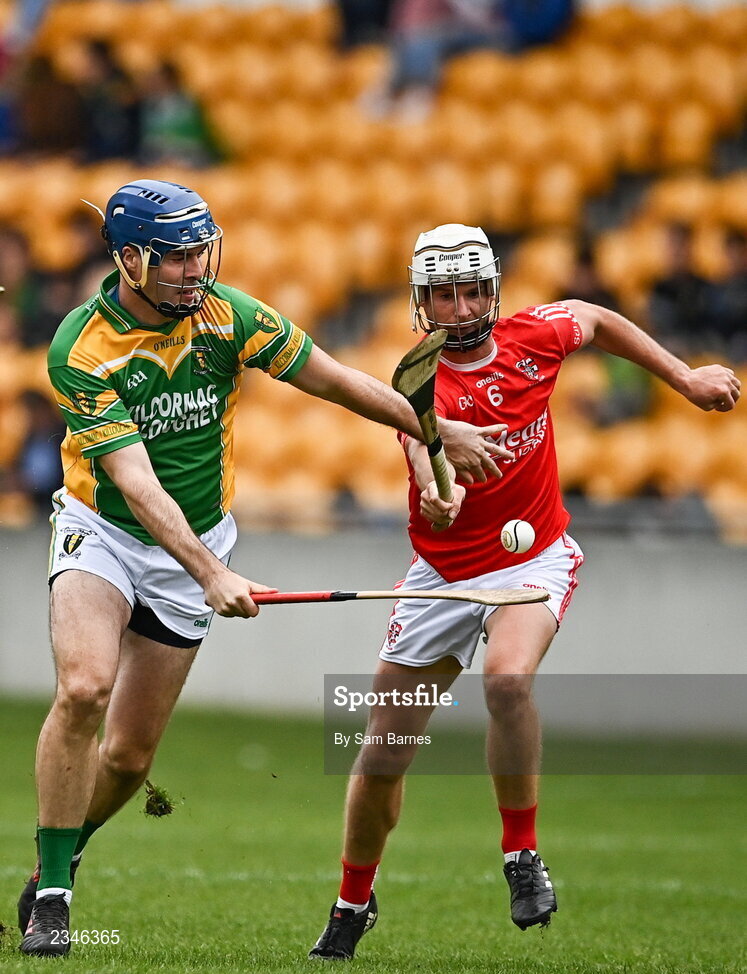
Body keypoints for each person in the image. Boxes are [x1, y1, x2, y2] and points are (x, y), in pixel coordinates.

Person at [16, 182, 505, 957]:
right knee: (84, 687)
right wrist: (212, 572)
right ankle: (52, 894)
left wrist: (434, 427)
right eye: (175, 256)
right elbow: (136, 483)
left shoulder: (227, 316)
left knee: (128, 757)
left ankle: (68, 843)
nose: (193, 269)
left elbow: (337, 381)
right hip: (104, 531)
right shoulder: (80, 348)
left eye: (199, 251)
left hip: (195, 544)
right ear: (130, 259)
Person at [308, 223, 741, 960]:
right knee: (382, 752)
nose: (457, 305)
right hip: (441, 577)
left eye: (469, 288)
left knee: (506, 682)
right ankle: (352, 900)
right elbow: (417, 446)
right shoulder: (415, 375)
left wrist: (683, 376)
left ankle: (520, 854)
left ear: (491, 289)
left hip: (530, 560)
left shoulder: (536, 335)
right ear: (421, 299)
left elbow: (598, 319)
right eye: (441, 292)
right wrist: (437, 489)